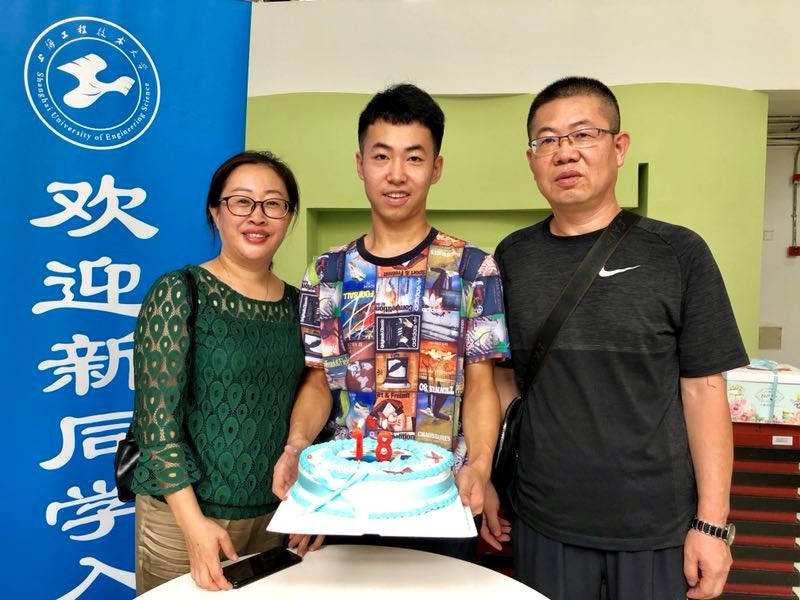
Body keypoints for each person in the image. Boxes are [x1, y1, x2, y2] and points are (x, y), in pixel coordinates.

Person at [482, 77, 748, 600]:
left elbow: (704, 391)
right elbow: (504, 384)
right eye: (547, 140)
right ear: (532, 159)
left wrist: (713, 524)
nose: (565, 152)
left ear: (619, 147)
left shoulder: (678, 253)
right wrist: (488, 478)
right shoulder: (512, 257)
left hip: (656, 523)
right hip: (543, 516)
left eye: (583, 134)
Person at [272, 83, 509, 561]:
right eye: (381, 156)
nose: (396, 174)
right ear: (360, 164)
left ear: (436, 167)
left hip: (441, 496)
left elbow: (482, 385)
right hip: (347, 496)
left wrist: (481, 465)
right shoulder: (327, 273)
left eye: (414, 158)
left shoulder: (472, 268)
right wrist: (297, 449)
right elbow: (320, 381)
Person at [130, 151, 306, 593]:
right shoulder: (179, 292)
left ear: (288, 216)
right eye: (241, 201)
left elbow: (310, 407)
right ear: (215, 210)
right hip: (183, 518)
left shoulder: (299, 305)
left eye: (273, 203)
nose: (257, 216)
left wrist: (308, 506)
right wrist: (193, 525)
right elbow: (156, 424)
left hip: (274, 517)